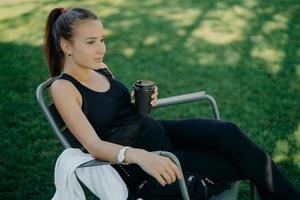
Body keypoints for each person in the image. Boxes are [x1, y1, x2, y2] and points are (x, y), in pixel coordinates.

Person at [43, 7, 300, 200]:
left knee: (229, 132)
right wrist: (140, 156)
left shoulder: (99, 67)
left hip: (157, 130)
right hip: (146, 159)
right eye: (91, 42)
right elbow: (93, 145)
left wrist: (139, 102)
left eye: (102, 39)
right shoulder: (63, 88)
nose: (101, 48)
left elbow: (114, 111)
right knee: (237, 162)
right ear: (66, 45)